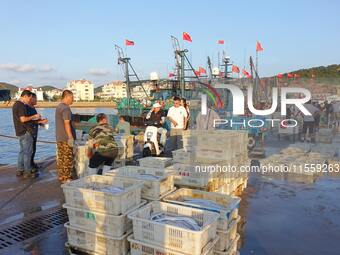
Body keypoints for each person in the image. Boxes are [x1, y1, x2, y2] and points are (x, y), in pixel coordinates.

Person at [12, 90, 41, 178]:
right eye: (29, 98)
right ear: (25, 96)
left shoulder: (15, 104)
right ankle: (27, 171)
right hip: (25, 131)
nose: (29, 100)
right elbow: (23, 119)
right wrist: (34, 116)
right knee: (28, 152)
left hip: (19, 131)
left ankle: (20, 169)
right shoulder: (21, 105)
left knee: (22, 151)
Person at [55, 90, 76, 183]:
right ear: (67, 97)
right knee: (67, 158)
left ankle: (62, 176)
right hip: (65, 138)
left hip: (59, 137)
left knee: (61, 158)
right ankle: (67, 178)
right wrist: (70, 137)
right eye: (72, 98)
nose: (73, 100)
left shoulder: (59, 106)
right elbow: (66, 123)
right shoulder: (66, 108)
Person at [25, 93, 48, 170]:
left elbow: (36, 120)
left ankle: (32, 163)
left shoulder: (33, 108)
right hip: (29, 131)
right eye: (36, 99)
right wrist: (39, 121)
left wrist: (42, 122)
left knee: (33, 149)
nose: (37, 100)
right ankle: (28, 168)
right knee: (29, 150)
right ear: (32, 98)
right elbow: (28, 121)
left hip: (34, 131)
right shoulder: (26, 107)